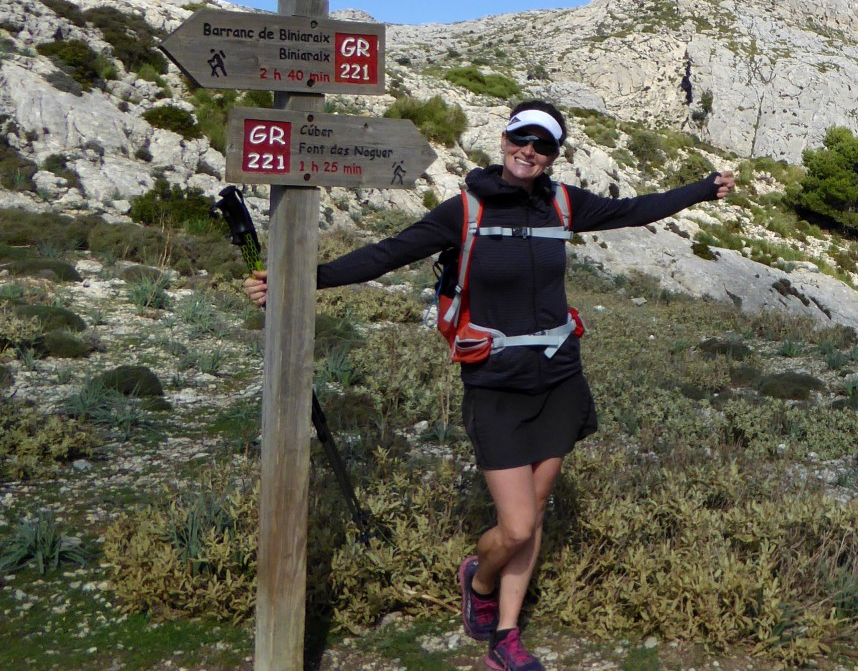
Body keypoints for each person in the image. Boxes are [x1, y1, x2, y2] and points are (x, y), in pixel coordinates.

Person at [244, 100, 735, 671]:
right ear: (503, 140)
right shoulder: (464, 211)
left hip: (558, 376)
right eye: (521, 139)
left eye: (543, 144)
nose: (529, 151)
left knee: (539, 510)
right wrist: (299, 280)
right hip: (495, 382)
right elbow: (387, 253)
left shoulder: (563, 202)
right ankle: (478, 581)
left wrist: (703, 188)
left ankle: (506, 636)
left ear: (554, 155)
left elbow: (635, 209)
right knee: (517, 525)